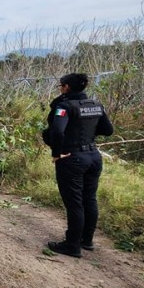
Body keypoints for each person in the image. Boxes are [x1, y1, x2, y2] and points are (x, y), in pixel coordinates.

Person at [45, 73, 114, 257]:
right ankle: (87, 240)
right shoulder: (96, 105)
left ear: (66, 87)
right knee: (89, 198)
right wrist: (87, 133)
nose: (60, 88)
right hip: (93, 156)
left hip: (72, 158)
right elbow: (108, 130)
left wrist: (56, 153)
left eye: (61, 86)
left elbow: (57, 131)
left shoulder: (64, 106)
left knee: (75, 203)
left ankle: (72, 245)